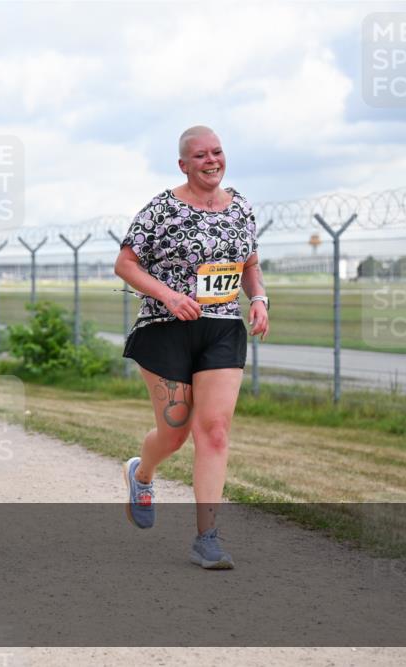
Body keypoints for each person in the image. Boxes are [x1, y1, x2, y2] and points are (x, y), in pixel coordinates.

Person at [114, 126, 269, 570]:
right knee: (176, 430)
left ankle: (208, 538)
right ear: (183, 164)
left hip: (222, 327)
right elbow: (125, 263)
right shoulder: (161, 209)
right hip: (166, 327)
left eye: (217, 152)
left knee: (214, 431)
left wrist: (258, 298)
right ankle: (141, 475)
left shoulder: (241, 208)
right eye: (200, 156)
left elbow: (250, 264)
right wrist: (168, 295)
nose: (211, 160)